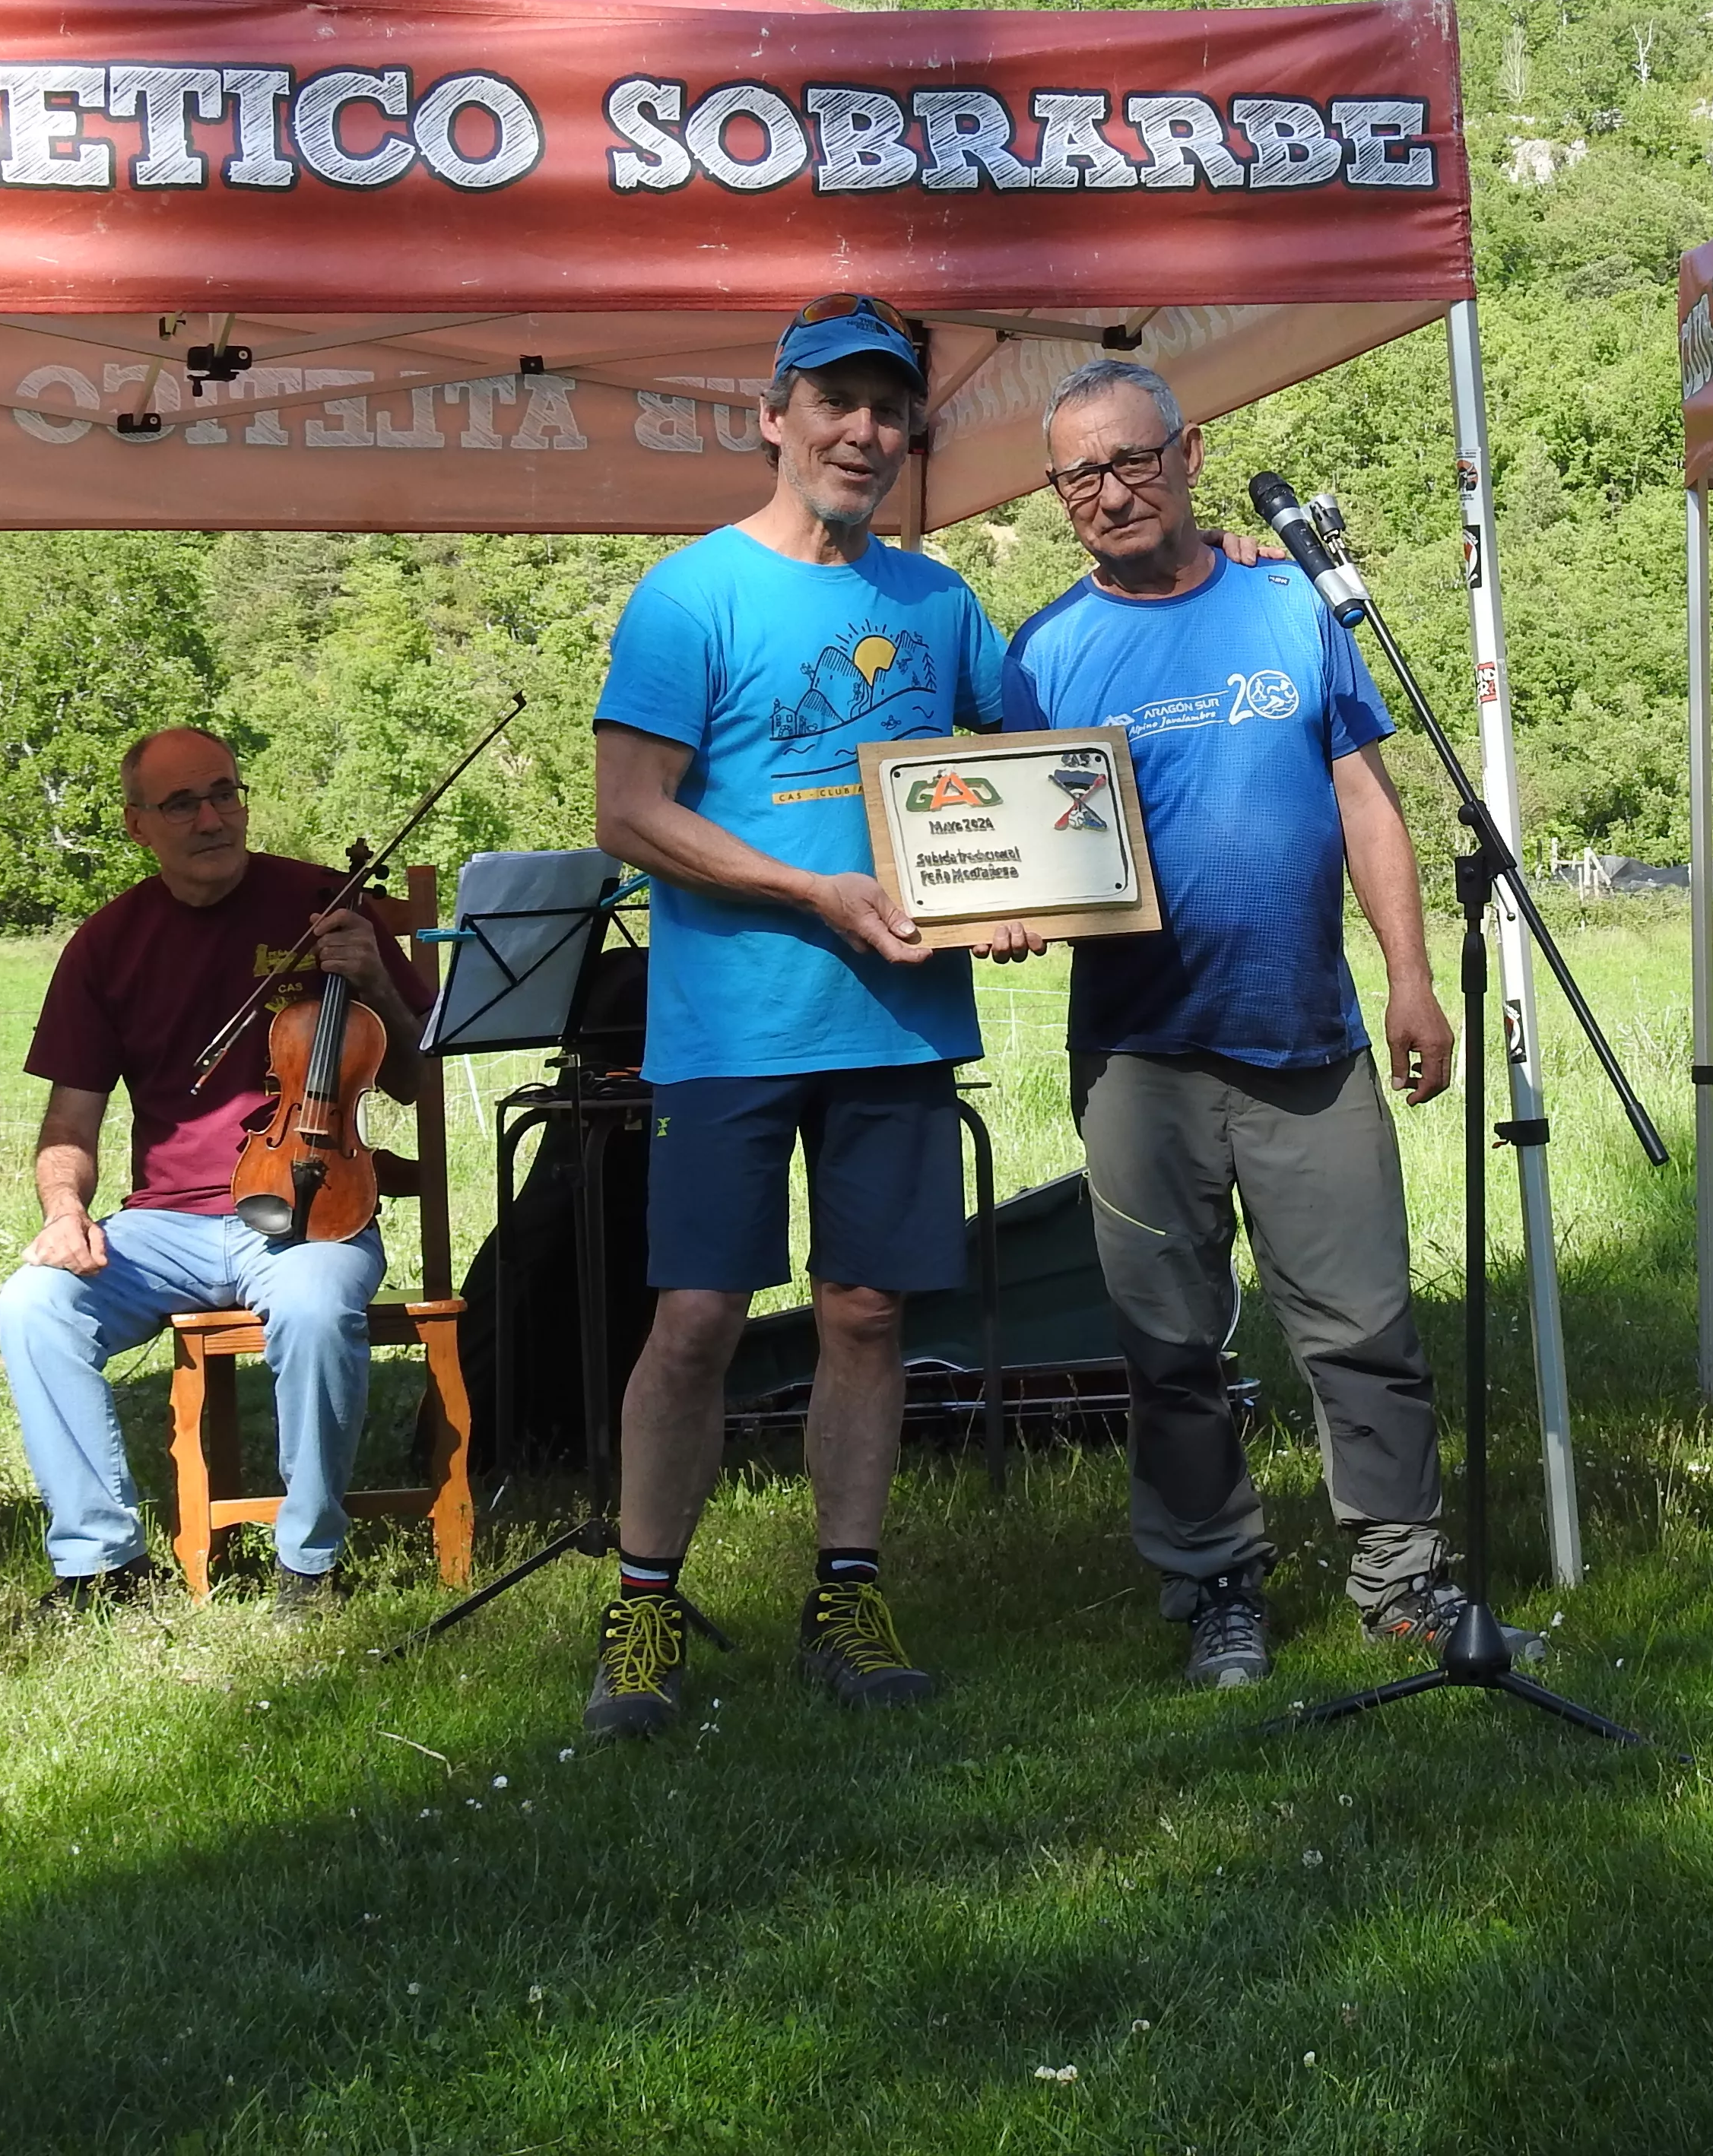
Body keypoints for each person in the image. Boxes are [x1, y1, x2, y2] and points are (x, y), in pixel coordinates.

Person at [997, 357, 1475, 1688]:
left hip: (1310, 1043)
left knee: (1365, 1329)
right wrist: (1013, 907)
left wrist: (1409, 977)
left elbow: (1365, 799)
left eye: (1132, 459)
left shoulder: (1288, 604)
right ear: (1056, 495)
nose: (1110, 490)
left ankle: (1402, 1582)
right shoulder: (1042, 653)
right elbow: (1017, 850)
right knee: (1168, 1352)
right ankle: (1215, 1588)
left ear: (1188, 450)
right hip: (1141, 1059)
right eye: (1079, 474)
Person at [581, 294, 1009, 1737]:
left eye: (889, 410)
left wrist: (1025, 896)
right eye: (836, 403)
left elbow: (1033, 767)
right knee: (697, 1318)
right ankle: (642, 1608)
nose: (864, 433)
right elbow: (629, 813)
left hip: (894, 1020)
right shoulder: (689, 595)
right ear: (772, 416)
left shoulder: (938, 602)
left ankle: (846, 1589)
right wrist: (818, 892)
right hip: (732, 1027)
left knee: (868, 1312)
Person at [0, 727, 428, 1619]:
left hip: (311, 1199)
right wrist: (65, 1208)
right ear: (137, 827)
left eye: (224, 793)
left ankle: (308, 1564)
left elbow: (420, 1083)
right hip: (164, 1226)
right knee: (30, 1306)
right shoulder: (108, 942)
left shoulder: (323, 904)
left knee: (312, 1306)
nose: (210, 817)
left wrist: (378, 983)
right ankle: (102, 1564)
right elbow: (71, 1119)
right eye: (182, 803)